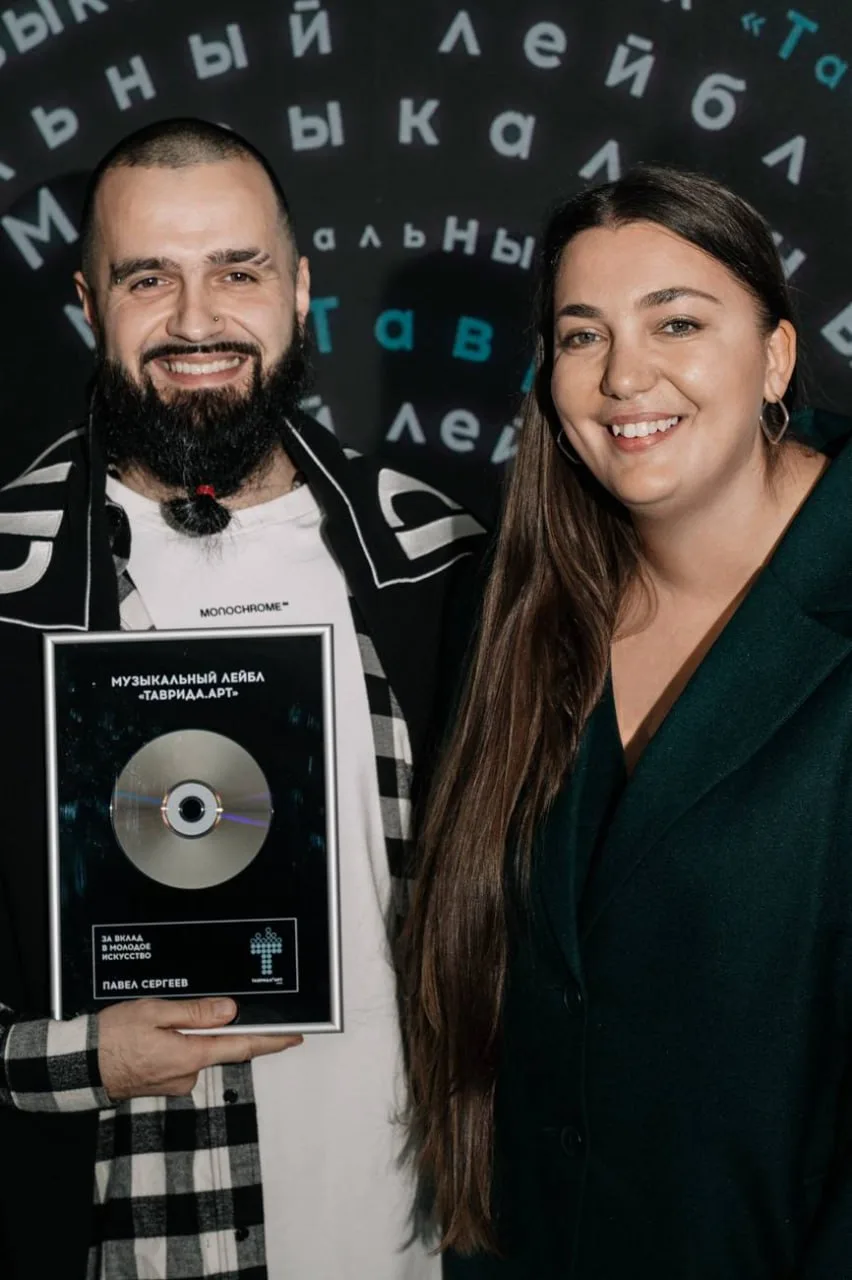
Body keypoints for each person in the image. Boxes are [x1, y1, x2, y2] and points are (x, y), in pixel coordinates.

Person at [0, 117, 484, 1280]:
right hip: (145, 1243)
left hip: (415, 1237)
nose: (196, 319)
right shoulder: (11, 590)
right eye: (148, 277)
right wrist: (78, 1055)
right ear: (88, 301)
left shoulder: (438, 559)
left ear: (300, 288)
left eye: (238, 270)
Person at [403, 163, 852, 1278]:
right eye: (582, 335)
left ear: (776, 356)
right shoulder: (513, 608)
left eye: (677, 322)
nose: (623, 376)